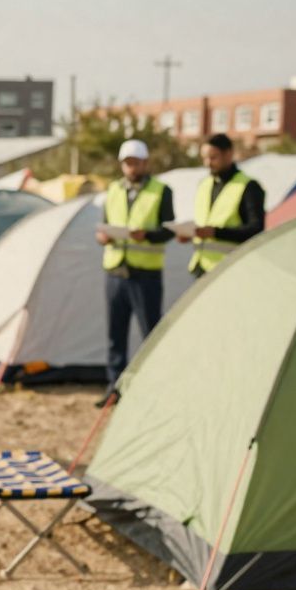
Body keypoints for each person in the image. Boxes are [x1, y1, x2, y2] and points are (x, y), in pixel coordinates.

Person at [94, 139, 175, 408]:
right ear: (122, 164)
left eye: (136, 162)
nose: (132, 167)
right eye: (127, 163)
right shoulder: (113, 190)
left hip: (145, 275)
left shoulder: (161, 191)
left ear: (145, 163)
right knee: (114, 334)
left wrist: (147, 236)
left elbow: (167, 230)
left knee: (150, 333)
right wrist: (103, 237)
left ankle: (153, 389)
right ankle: (114, 387)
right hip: (116, 271)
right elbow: (105, 224)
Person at [181, 133, 266, 277]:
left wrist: (216, 232)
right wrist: (190, 234)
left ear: (229, 154)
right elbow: (206, 222)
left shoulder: (249, 186)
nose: (207, 163)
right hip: (201, 268)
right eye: (204, 158)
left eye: (213, 157)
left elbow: (255, 229)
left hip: (230, 271)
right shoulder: (204, 184)